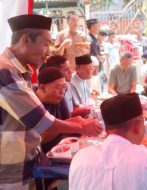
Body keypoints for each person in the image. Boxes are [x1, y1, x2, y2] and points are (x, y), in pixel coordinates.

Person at [0, 14, 100, 189]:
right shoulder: (4, 71)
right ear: (26, 39)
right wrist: (80, 126)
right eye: (46, 44)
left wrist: (74, 121)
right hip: (10, 172)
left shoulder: (22, 72)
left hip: (26, 164)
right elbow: (41, 121)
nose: (48, 52)